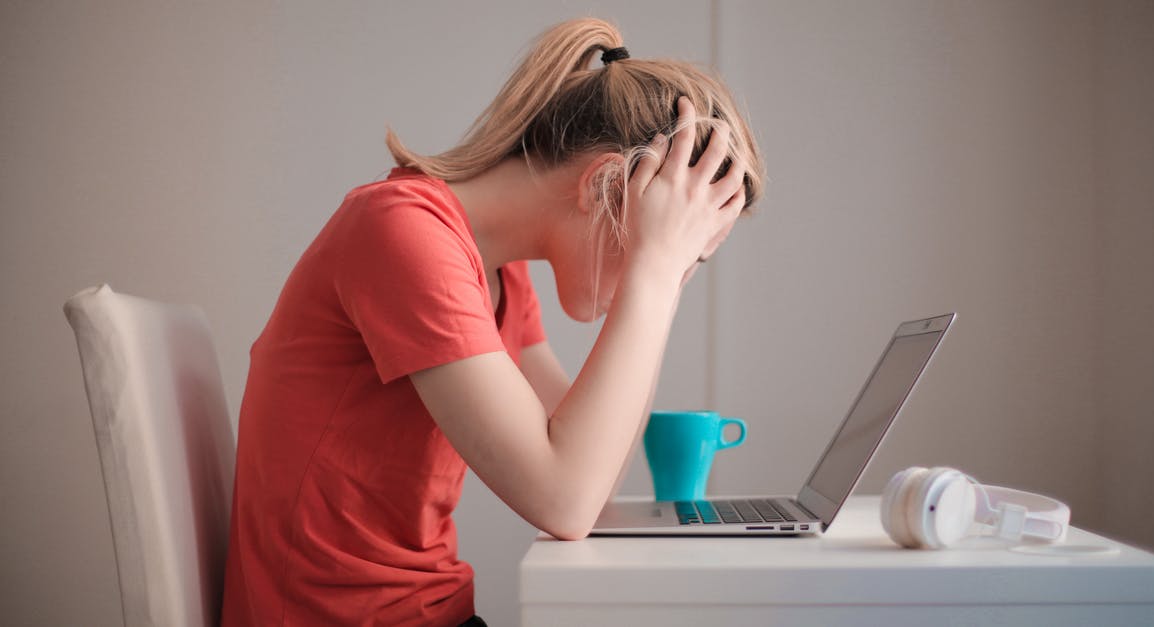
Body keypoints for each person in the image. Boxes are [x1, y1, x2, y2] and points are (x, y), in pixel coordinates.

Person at [221, 16, 764, 627]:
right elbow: (566, 499)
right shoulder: (402, 234)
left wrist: (661, 276)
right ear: (604, 186)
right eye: (679, 245)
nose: (675, 269)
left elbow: (596, 473)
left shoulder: (498, 275)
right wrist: (656, 272)